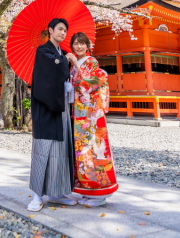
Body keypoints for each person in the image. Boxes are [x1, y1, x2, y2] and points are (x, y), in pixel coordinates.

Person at [27, 18, 78, 212]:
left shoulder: (63, 53)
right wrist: (66, 60)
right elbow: (50, 70)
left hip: (62, 106)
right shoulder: (43, 51)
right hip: (46, 108)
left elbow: (66, 72)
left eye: (65, 30)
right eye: (60, 29)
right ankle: (37, 195)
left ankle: (57, 193)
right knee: (43, 150)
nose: (63, 33)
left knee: (60, 151)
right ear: (50, 30)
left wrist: (70, 62)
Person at [66, 32, 119, 207]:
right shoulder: (73, 66)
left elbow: (88, 84)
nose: (79, 47)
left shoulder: (91, 62)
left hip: (91, 116)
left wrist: (74, 64)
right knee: (82, 154)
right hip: (79, 114)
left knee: (95, 152)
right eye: (76, 43)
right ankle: (87, 189)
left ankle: (100, 193)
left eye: (82, 43)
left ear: (88, 46)